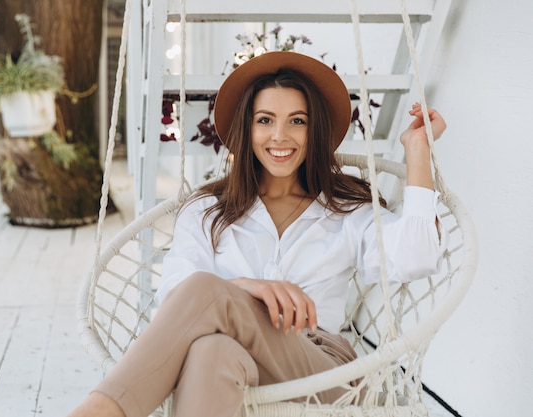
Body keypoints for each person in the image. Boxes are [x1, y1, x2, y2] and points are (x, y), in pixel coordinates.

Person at [67, 51, 448, 417]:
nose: (280, 136)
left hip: (323, 370)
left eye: (297, 121)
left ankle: (101, 410)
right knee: (210, 350)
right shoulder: (206, 211)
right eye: (265, 120)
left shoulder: (347, 211)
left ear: (314, 130)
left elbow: (416, 257)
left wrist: (418, 152)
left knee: (205, 290)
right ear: (246, 128)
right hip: (232, 361)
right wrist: (247, 287)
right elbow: (174, 299)